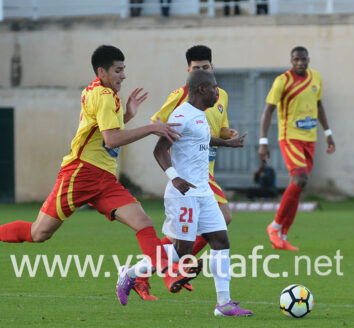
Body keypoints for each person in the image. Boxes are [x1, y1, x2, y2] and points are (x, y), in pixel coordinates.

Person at [0, 44, 192, 306]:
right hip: (80, 175)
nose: (123, 75)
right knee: (39, 233)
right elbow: (111, 140)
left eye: (124, 69)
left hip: (103, 180)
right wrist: (150, 128)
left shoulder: (102, 92)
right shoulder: (102, 95)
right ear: (102, 71)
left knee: (144, 222)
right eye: (118, 70)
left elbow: (104, 133)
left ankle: (169, 274)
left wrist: (127, 115)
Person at [121, 70, 252, 316]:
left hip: (203, 192)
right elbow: (159, 150)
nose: (217, 91)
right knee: (182, 251)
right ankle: (130, 273)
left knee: (221, 241)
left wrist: (227, 143)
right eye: (214, 87)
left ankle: (223, 304)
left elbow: (201, 140)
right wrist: (174, 176)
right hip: (184, 193)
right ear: (201, 89)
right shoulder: (181, 115)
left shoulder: (201, 115)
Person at [133, 45, 239, 300]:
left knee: (218, 233)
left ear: (211, 69)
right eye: (197, 69)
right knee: (206, 231)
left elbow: (214, 130)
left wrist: (228, 138)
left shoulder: (219, 96)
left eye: (205, 67)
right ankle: (148, 270)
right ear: (191, 74)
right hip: (189, 179)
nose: (202, 72)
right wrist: (174, 169)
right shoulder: (181, 101)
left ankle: (220, 300)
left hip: (205, 173)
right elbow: (156, 124)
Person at [258, 46, 335, 251]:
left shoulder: (316, 78)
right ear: (291, 61)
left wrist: (328, 133)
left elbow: (319, 106)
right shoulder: (282, 81)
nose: (300, 62)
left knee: (300, 186)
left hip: (310, 139)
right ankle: (274, 226)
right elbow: (268, 111)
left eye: (303, 59)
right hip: (290, 137)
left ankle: (283, 234)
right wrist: (263, 141)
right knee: (300, 179)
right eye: (296, 59)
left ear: (308, 59)